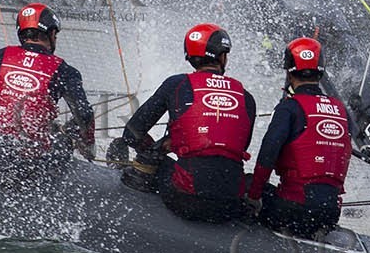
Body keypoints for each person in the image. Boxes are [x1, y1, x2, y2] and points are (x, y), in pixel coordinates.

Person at [112, 23, 256, 224]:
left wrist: (155, 149)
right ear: (222, 56)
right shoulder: (246, 97)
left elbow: (132, 134)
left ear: (190, 57)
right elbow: (234, 148)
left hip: (186, 201)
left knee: (152, 160)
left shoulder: (176, 84)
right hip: (231, 204)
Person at [0, 3, 96, 164]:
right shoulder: (65, 71)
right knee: (60, 137)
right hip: (32, 163)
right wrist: (87, 144)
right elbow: (84, 114)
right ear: (51, 33)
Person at [246, 37, 350, 237]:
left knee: (246, 183)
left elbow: (268, 153)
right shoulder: (340, 109)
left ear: (289, 72)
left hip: (293, 210)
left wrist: (254, 196)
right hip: (330, 213)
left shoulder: (289, 108)